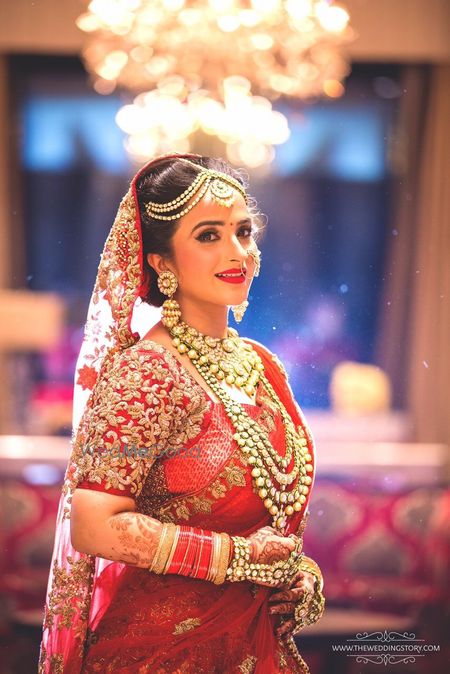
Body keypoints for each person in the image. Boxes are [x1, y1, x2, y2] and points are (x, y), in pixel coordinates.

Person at [38, 153, 325, 674]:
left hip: (258, 645)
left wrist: (296, 574)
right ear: (161, 261)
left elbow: (273, 517)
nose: (237, 251)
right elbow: (94, 526)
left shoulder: (262, 365)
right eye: (209, 235)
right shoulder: (145, 373)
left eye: (243, 231)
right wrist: (239, 560)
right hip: (161, 652)